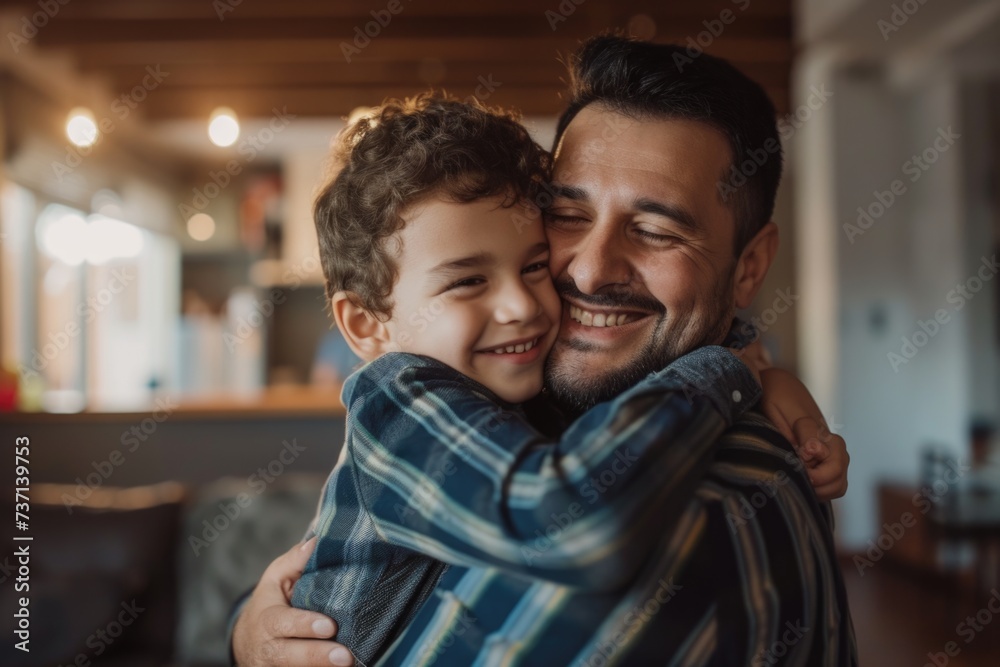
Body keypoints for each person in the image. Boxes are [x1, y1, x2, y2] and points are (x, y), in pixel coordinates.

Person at [231, 35, 855, 666]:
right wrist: (249, 630)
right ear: (366, 325)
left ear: (750, 268)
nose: (585, 273)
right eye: (568, 217)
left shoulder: (708, 512)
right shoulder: (424, 398)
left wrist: (739, 371)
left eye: (656, 230)